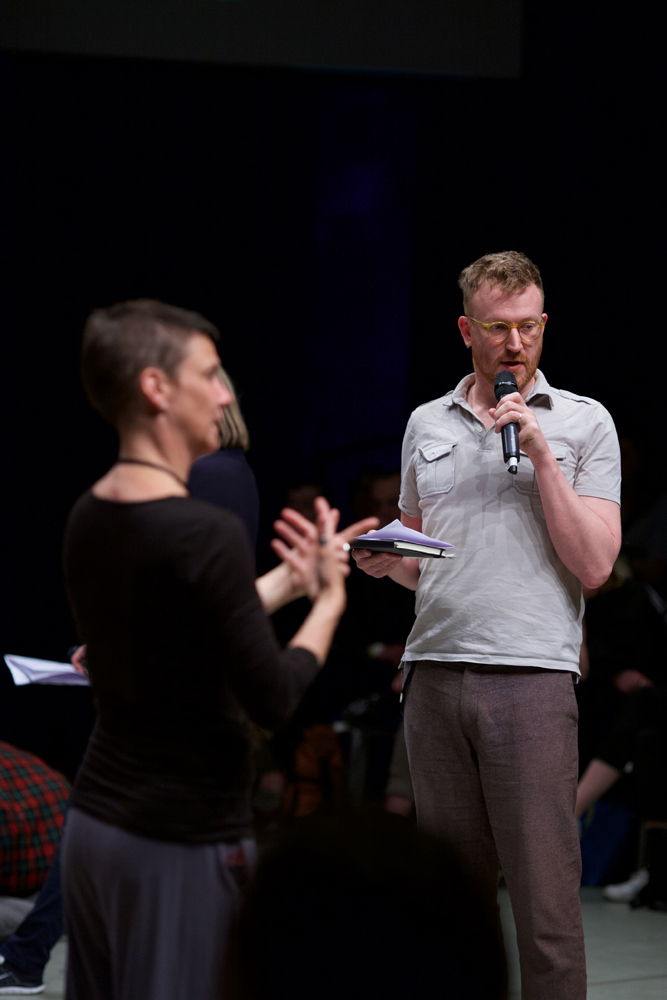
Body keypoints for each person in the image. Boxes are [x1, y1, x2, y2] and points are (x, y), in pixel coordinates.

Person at [58, 299, 372, 1000]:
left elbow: (180, 623)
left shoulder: (90, 513)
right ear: (156, 388)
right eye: (209, 374)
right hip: (179, 835)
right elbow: (272, 696)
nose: (225, 394)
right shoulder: (205, 530)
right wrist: (326, 602)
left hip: (96, 827)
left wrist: (291, 577)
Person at [353, 251, 622, 1000]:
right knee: (449, 902)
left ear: (544, 325)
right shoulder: (424, 422)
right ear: (466, 329)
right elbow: (424, 557)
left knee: (544, 904)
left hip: (531, 675)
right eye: (498, 327)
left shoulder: (583, 422)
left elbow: (595, 565)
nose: (515, 343)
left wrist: (541, 457)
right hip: (434, 673)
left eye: (528, 326)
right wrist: (387, 560)